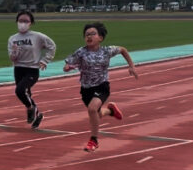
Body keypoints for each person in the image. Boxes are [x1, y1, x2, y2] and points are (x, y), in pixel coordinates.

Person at [62, 22, 138, 152]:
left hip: (102, 86)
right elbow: (67, 65)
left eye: (92, 34)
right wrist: (68, 68)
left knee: (92, 109)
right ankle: (110, 111)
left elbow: (123, 50)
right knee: (96, 114)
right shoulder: (80, 52)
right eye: (86, 34)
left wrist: (131, 66)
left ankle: (94, 140)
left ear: (100, 38)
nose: (89, 36)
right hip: (86, 89)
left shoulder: (107, 51)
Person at [8, 10, 56, 129]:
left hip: (32, 69)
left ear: (31, 23)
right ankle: (38, 114)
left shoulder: (37, 36)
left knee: (20, 90)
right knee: (26, 93)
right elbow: (12, 58)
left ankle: (31, 108)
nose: (23, 23)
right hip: (18, 68)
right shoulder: (12, 39)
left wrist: (45, 60)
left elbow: (52, 46)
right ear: (16, 22)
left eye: (26, 21)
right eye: (20, 21)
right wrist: (15, 51)